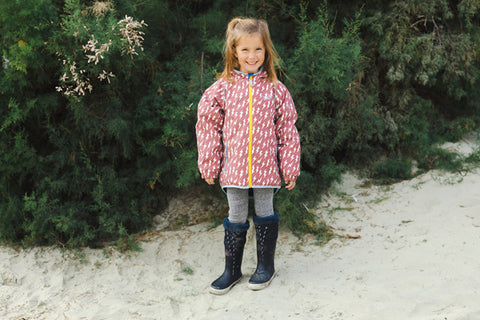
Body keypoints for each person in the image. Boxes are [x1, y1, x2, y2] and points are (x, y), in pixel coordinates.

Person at [196, 17, 300, 295]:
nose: (252, 56)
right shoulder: (222, 88)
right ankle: (232, 271)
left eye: (258, 50)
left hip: (267, 168)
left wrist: (289, 167)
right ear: (234, 52)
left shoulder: (276, 89)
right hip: (235, 168)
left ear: (266, 52)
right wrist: (209, 162)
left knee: (265, 212)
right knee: (237, 214)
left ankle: (265, 267)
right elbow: (207, 124)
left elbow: (287, 129)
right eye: (245, 50)